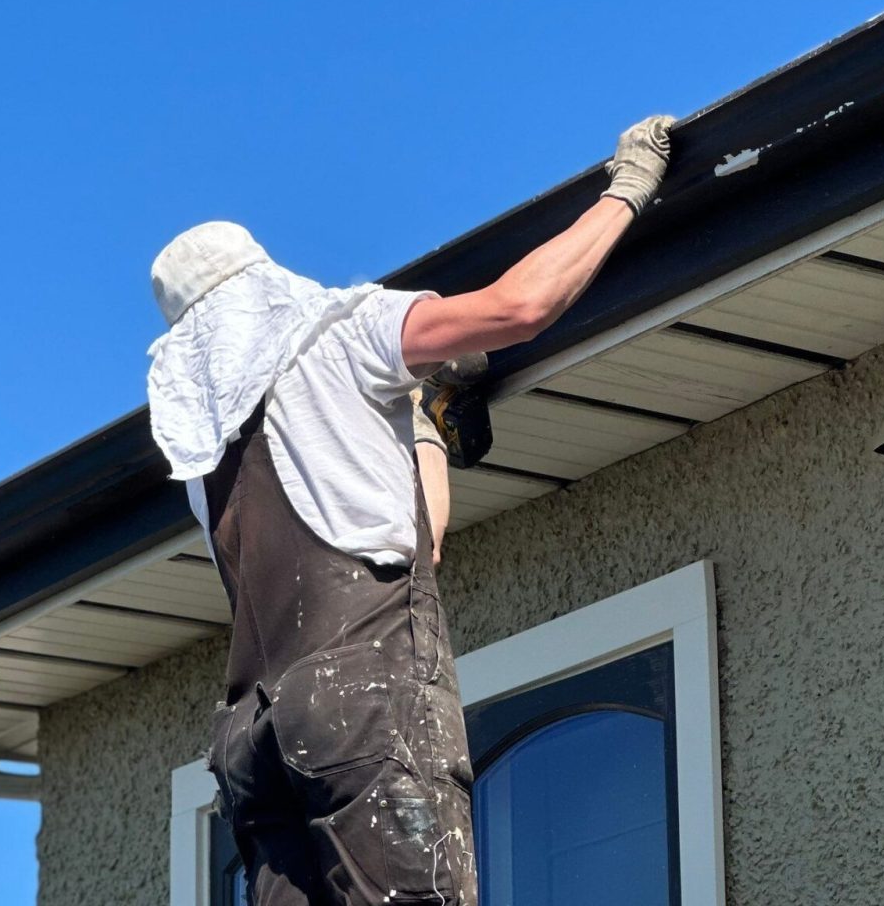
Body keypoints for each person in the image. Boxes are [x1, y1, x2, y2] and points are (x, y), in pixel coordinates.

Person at [145, 115, 673, 906]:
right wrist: (627, 191)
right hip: (357, 701)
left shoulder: (202, 450)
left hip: (254, 742)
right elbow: (517, 307)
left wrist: (418, 420)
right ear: (264, 279)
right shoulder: (338, 333)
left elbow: (415, 531)